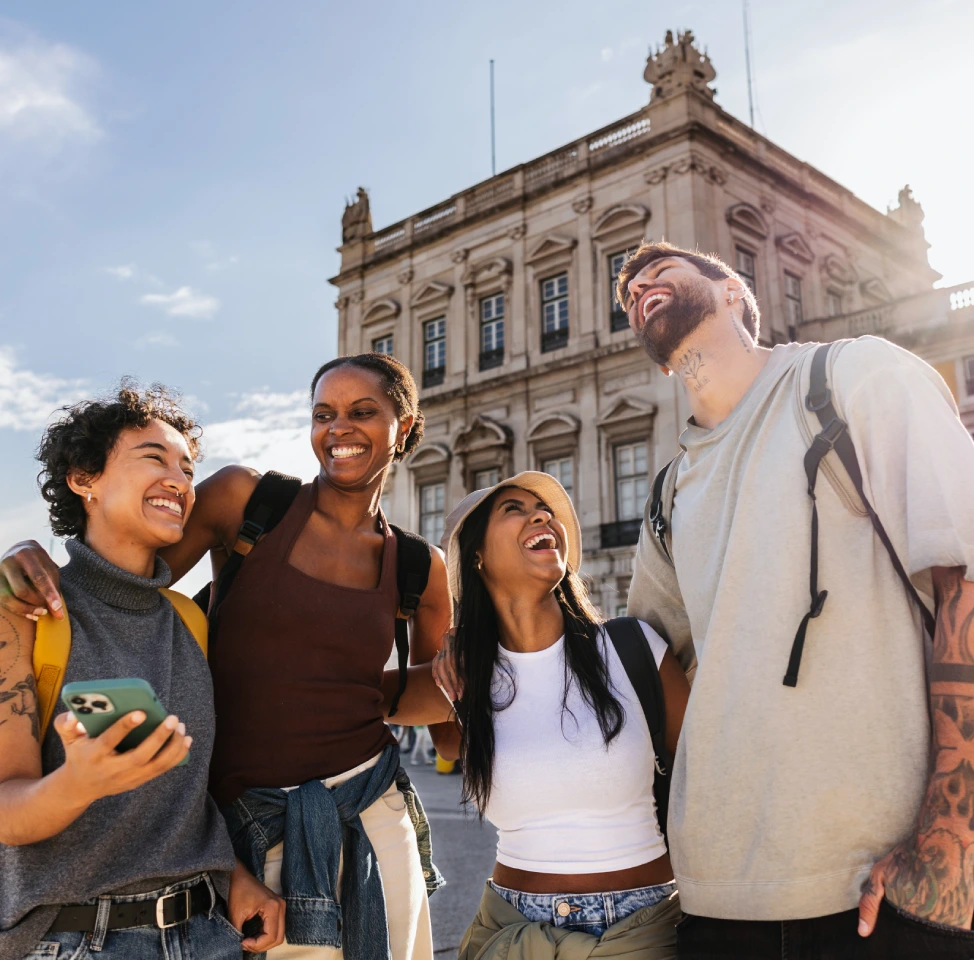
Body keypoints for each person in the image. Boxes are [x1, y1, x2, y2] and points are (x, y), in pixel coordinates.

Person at [0, 354, 457, 960]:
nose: (339, 428)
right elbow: (121, 578)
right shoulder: (248, 502)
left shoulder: (420, 569)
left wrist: (483, 673)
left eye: (363, 412)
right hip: (250, 830)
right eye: (324, 414)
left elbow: (439, 730)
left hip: (362, 815)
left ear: (405, 427)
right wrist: (21, 561)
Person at [612, 240, 974, 957]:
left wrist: (955, 837)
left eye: (664, 269)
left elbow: (964, 581)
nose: (640, 283)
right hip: (714, 899)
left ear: (732, 294)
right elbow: (641, 664)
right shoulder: (666, 495)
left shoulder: (853, 378)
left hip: (877, 889)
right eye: (628, 292)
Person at [0, 383, 284, 960]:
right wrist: (78, 783)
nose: (180, 482)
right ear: (84, 479)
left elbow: (180, 797)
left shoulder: (190, 620)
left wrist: (232, 873)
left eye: (186, 467)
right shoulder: (19, 614)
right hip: (78, 939)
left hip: (209, 933)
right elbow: (7, 810)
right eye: (154, 458)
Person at [441, 472, 689, 959]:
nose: (541, 515)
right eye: (513, 508)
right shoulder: (462, 680)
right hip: (511, 929)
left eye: (544, 508)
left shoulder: (633, 647)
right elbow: (356, 696)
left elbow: (715, 785)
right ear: (476, 556)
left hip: (641, 929)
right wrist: (444, 648)